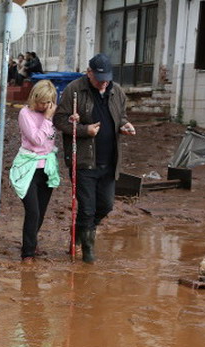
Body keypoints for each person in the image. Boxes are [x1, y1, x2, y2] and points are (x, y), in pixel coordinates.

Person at [53, 53, 135, 263]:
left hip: (109, 161)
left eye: (107, 78)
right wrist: (83, 130)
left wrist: (125, 126)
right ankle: (88, 253)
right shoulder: (74, 90)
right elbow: (60, 120)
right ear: (89, 72)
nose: (103, 83)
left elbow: (121, 116)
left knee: (106, 205)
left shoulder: (116, 92)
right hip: (84, 161)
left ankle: (79, 232)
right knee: (87, 208)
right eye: (99, 78)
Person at [9, 80, 61, 263]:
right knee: (33, 211)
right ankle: (27, 253)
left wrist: (71, 120)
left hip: (47, 166)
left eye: (49, 102)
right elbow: (37, 140)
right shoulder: (25, 113)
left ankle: (32, 242)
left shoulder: (52, 112)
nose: (45, 106)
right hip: (28, 167)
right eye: (41, 102)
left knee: (41, 210)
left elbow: (60, 129)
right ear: (34, 98)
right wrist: (47, 119)